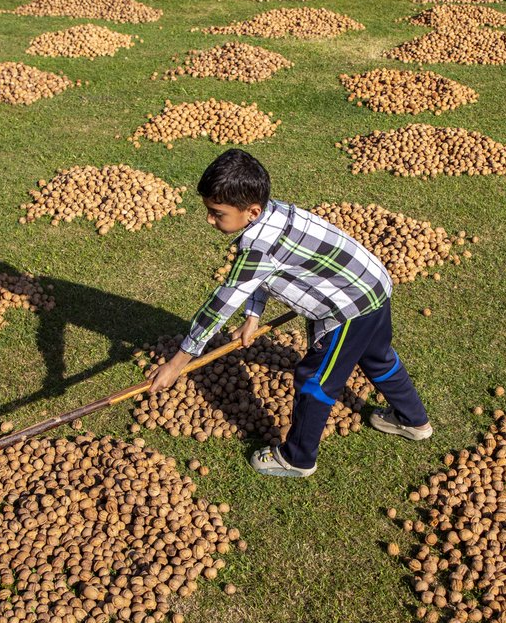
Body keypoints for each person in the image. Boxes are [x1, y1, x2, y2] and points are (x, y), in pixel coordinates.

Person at [147, 149, 432, 478]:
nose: (209, 220)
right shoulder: (274, 213)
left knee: (314, 380)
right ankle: (414, 421)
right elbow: (263, 276)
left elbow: (218, 307)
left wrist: (177, 363)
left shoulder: (257, 247)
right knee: (378, 356)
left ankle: (297, 458)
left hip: (349, 309)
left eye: (217, 213)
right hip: (373, 285)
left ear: (251, 211)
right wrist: (253, 316)